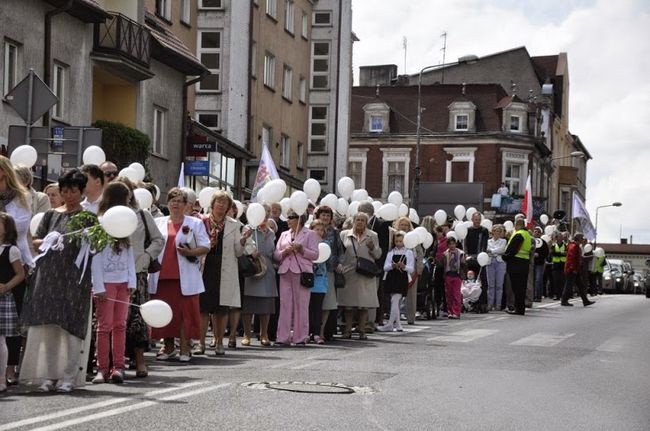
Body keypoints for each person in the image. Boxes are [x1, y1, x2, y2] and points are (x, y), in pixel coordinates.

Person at [20, 169, 94, 392]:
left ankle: (69, 376)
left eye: (73, 191)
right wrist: (47, 241)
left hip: (74, 281)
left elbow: (96, 248)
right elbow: (35, 242)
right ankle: (49, 375)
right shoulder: (51, 215)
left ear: (81, 192)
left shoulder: (88, 218)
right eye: (65, 191)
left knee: (71, 329)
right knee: (49, 328)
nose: (69, 195)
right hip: (48, 278)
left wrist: (86, 239)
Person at [149, 188, 210, 362]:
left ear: (186, 205)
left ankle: (184, 349)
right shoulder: (158, 222)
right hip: (161, 276)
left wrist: (191, 253)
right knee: (165, 314)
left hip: (185, 276)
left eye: (179, 201)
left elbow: (206, 246)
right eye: (172, 200)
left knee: (185, 314)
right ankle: (168, 348)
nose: (175, 204)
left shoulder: (194, 223)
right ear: (167, 203)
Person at [114, 177, 164, 377]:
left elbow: (158, 239)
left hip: (137, 273)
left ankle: (140, 361)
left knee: (137, 318)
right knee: (114, 319)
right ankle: (113, 361)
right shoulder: (106, 216)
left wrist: (146, 256)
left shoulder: (142, 215)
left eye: (125, 191)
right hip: (113, 274)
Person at [90, 183, 137, 384]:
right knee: (104, 326)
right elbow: (95, 256)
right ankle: (102, 368)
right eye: (127, 197)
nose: (129, 201)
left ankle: (118, 367)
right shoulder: (100, 222)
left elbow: (129, 254)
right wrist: (98, 286)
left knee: (120, 325)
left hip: (123, 283)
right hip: (106, 283)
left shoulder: (125, 222)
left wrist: (132, 280)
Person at [197, 191, 249, 356]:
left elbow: (238, 252)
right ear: (212, 204)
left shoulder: (234, 225)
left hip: (225, 268)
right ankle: (201, 342)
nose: (220, 205)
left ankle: (219, 342)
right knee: (203, 308)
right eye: (218, 202)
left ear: (228, 207)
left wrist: (242, 241)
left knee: (221, 308)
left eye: (224, 203)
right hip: (205, 267)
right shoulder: (201, 221)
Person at [0, 156, 32, 385]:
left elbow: (20, 226)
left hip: (14, 259)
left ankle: (10, 368)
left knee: (11, 322)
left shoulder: (20, 197)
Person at [273, 209, 319, 345]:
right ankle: (282, 337)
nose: (288, 220)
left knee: (302, 305)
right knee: (285, 305)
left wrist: (302, 249)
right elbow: (275, 254)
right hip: (285, 271)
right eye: (288, 217)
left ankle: (301, 337)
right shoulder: (284, 234)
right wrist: (283, 252)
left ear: (300, 219)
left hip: (302, 272)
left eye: (291, 217)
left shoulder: (310, 234)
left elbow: (316, 255)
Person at [337, 212, 381, 339]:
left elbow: (378, 255)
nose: (360, 222)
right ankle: (347, 330)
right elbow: (340, 252)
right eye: (358, 220)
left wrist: (373, 248)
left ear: (366, 223)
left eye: (362, 220)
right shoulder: (344, 234)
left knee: (364, 304)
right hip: (349, 272)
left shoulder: (373, 235)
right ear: (354, 221)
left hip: (366, 273)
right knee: (348, 305)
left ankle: (362, 330)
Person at [241, 205, 277, 347]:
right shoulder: (248, 229)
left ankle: (264, 334)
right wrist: (250, 253)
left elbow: (273, 252)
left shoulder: (271, 233)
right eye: (264, 212)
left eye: (268, 212)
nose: (267, 215)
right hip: (252, 269)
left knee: (266, 305)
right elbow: (241, 247)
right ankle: (247, 334)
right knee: (248, 305)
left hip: (267, 270)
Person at [0, 213, 26, 393]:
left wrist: (6, 286)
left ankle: (4, 376)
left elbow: (20, 274)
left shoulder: (11, 250)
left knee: (4, 338)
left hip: (4, 297)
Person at [378, 231, 414, 332]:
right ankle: (398, 324)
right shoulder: (391, 253)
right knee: (394, 302)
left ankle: (390, 323)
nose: (398, 243)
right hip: (392, 277)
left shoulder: (408, 252)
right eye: (396, 241)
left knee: (395, 300)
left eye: (400, 241)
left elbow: (411, 269)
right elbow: (385, 267)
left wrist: (404, 266)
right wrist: (392, 266)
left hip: (402, 278)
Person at [315, 205, 341, 341]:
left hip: (329, 270)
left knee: (327, 303)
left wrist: (339, 263)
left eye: (328, 215)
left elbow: (340, 251)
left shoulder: (335, 232)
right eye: (323, 215)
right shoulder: (311, 229)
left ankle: (322, 330)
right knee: (313, 303)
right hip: (312, 271)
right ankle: (311, 331)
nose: (325, 217)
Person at [503, 218, 533, 315]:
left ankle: (518, 309)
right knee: (522, 287)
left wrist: (505, 257)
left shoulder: (519, 234)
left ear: (517, 224)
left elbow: (512, 249)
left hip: (516, 263)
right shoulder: (527, 234)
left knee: (517, 288)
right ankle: (521, 309)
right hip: (524, 263)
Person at [561, 233, 595, 307]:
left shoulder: (575, 246)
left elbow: (577, 258)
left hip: (575, 269)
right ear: (578, 239)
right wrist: (573, 269)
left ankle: (585, 301)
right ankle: (564, 300)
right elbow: (571, 259)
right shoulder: (573, 247)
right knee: (569, 285)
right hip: (572, 270)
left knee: (580, 285)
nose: (583, 240)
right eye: (581, 238)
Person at [464, 212, 489, 313]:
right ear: (472, 219)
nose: (477, 221)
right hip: (470, 258)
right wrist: (466, 255)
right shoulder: (468, 230)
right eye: (475, 219)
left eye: (479, 219)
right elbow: (465, 244)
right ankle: (469, 303)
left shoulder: (484, 230)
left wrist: (481, 255)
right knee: (469, 282)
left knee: (482, 282)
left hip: (480, 259)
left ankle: (482, 304)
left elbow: (484, 244)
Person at [308, 220, 329, 343]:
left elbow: (328, 261)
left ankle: (316, 333)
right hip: (308, 279)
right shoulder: (307, 243)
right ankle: (306, 332)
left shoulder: (326, 244)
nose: (319, 232)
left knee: (317, 308)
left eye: (322, 230)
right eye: (317, 229)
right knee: (307, 308)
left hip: (320, 280)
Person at [486, 224, 507, 311]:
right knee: (491, 285)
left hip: (500, 263)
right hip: (490, 262)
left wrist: (492, 251)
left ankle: (498, 305)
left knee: (499, 285)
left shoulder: (503, 241)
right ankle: (490, 304)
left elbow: (502, 250)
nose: (498, 233)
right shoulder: (488, 241)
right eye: (496, 231)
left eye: (499, 231)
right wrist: (495, 251)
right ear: (493, 232)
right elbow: (486, 250)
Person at [443, 237, 465, 319]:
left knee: (456, 294)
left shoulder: (461, 253)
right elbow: (444, 264)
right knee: (449, 295)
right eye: (450, 244)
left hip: (457, 275)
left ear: (456, 244)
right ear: (448, 245)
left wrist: (463, 263)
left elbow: (464, 265)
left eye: (453, 244)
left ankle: (456, 312)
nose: (452, 246)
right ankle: (450, 312)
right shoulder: (445, 253)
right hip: (448, 275)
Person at [533, 227, 549, 301]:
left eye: (538, 232)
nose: (536, 233)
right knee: (532, 280)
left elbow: (546, 253)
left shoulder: (543, 243)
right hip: (532, 263)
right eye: (535, 232)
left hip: (540, 264)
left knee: (538, 280)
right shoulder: (531, 241)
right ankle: (532, 296)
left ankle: (538, 296)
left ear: (540, 234)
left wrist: (539, 255)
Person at [550, 231, 568, 300]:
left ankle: (562, 295)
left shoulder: (565, 245)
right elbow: (553, 253)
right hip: (556, 266)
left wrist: (560, 253)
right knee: (556, 281)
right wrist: (562, 253)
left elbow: (567, 253)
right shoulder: (554, 245)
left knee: (563, 281)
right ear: (556, 238)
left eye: (561, 237)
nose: (560, 238)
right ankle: (557, 295)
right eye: (559, 237)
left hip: (563, 265)